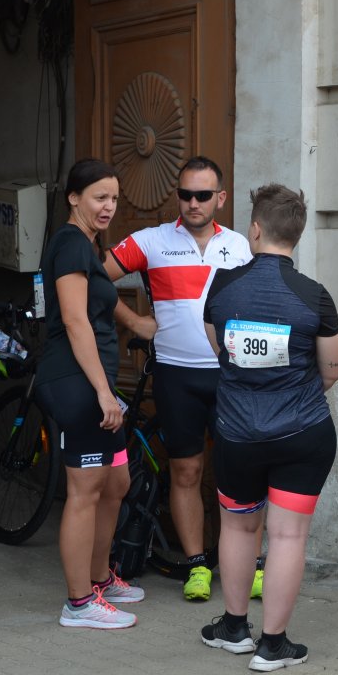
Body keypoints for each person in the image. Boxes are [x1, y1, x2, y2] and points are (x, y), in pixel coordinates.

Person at [199, 184, 338, 671]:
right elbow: (332, 369)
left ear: (255, 229)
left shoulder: (223, 286)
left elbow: (218, 348)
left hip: (237, 434)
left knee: (239, 527)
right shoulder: (315, 296)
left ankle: (234, 627)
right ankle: (273, 645)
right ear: (296, 236)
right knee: (287, 538)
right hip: (303, 433)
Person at [104, 156, 255, 602]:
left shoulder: (240, 246)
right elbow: (93, 277)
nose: (193, 203)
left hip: (231, 376)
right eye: (185, 194)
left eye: (202, 195)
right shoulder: (151, 241)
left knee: (240, 472)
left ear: (220, 198)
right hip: (176, 375)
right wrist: (134, 321)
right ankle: (196, 565)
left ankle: (246, 563)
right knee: (186, 470)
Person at [37, 159, 144, 630]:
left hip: (94, 380)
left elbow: (99, 302)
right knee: (84, 491)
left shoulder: (86, 245)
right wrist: (103, 391)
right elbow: (75, 319)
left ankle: (101, 577)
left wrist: (136, 323)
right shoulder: (69, 244)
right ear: (74, 198)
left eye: (114, 198)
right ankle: (79, 603)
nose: (109, 207)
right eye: (100, 197)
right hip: (76, 382)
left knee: (116, 482)